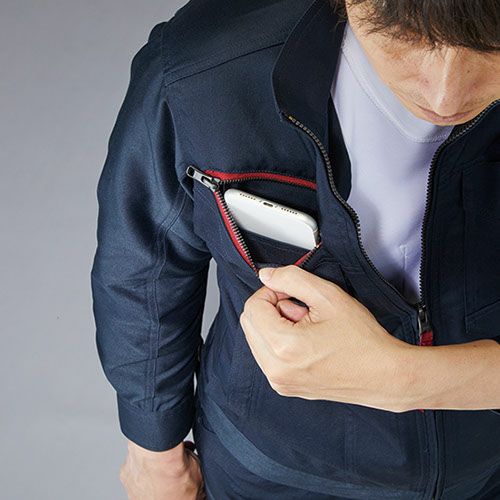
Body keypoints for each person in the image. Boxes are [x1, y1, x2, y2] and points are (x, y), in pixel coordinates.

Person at [90, 0, 500, 498]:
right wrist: (155, 454)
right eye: (406, 35)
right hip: (270, 466)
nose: (445, 93)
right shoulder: (204, 68)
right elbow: (145, 266)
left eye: (493, 45)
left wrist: (403, 379)